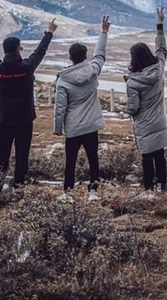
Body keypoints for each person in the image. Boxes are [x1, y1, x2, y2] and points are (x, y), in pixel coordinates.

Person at [0, 18, 57, 191]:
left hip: (5, 120)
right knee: (22, 155)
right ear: (18, 50)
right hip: (24, 120)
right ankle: (18, 186)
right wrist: (49, 33)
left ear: (5, 50)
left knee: (2, 155)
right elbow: (40, 51)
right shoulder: (27, 67)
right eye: (21, 48)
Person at [53, 16, 111, 202]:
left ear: (70, 57)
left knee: (70, 161)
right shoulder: (93, 71)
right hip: (91, 125)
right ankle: (93, 190)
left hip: (73, 127)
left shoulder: (63, 80)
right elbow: (100, 55)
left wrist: (57, 128)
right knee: (93, 158)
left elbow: (60, 107)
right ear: (85, 56)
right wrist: (104, 32)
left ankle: (68, 192)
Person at [124, 8, 167, 198]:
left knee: (146, 156)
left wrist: (126, 109)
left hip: (144, 123)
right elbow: (162, 49)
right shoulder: (158, 67)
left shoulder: (133, 82)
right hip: (159, 120)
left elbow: (133, 107)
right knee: (160, 155)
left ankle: (148, 188)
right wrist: (160, 25)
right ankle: (163, 185)